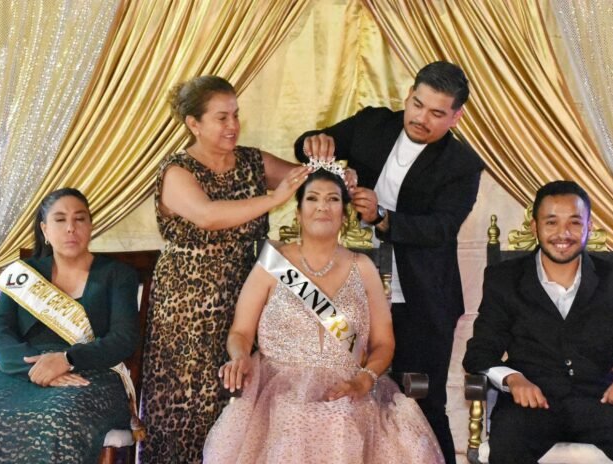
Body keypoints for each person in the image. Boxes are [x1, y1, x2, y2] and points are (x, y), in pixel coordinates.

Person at [294, 61, 484, 463]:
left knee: (420, 402)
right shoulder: (373, 124)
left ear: (456, 116)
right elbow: (306, 147)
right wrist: (315, 142)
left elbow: (442, 228)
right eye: (417, 104)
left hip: (421, 301)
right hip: (348, 298)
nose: (421, 118)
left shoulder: (462, 164)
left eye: (437, 113)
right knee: (346, 396)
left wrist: (383, 217)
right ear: (408, 95)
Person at [203, 166, 445, 463]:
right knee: (293, 418)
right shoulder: (273, 264)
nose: (322, 206)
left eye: (332, 199)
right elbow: (241, 332)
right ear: (298, 212)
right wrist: (240, 356)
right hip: (278, 390)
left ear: (344, 214)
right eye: (312, 198)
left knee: (341, 416)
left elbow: (383, 344)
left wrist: (364, 380)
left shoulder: (363, 268)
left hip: (350, 388)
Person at [140, 75, 313, 463]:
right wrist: (273, 198)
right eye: (221, 117)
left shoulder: (252, 160)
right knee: (189, 404)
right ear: (194, 123)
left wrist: (332, 170)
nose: (233, 125)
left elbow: (305, 179)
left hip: (247, 295)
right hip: (189, 306)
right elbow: (209, 216)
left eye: (235, 114)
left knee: (239, 401)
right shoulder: (177, 170)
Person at [463, 180, 613, 464]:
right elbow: (480, 351)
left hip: (600, 399)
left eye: (575, 223)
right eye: (551, 222)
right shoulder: (504, 279)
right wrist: (512, 379)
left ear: (589, 226)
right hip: (530, 402)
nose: (563, 233)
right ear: (534, 227)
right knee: (507, 445)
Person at [0, 188, 140, 464]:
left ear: (90, 226)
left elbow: (123, 338)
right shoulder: (24, 275)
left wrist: (67, 360)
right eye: (60, 219)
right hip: (22, 373)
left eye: (79, 219)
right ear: (45, 229)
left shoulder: (117, 275)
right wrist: (38, 369)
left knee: (57, 421)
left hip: (91, 374)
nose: (71, 227)